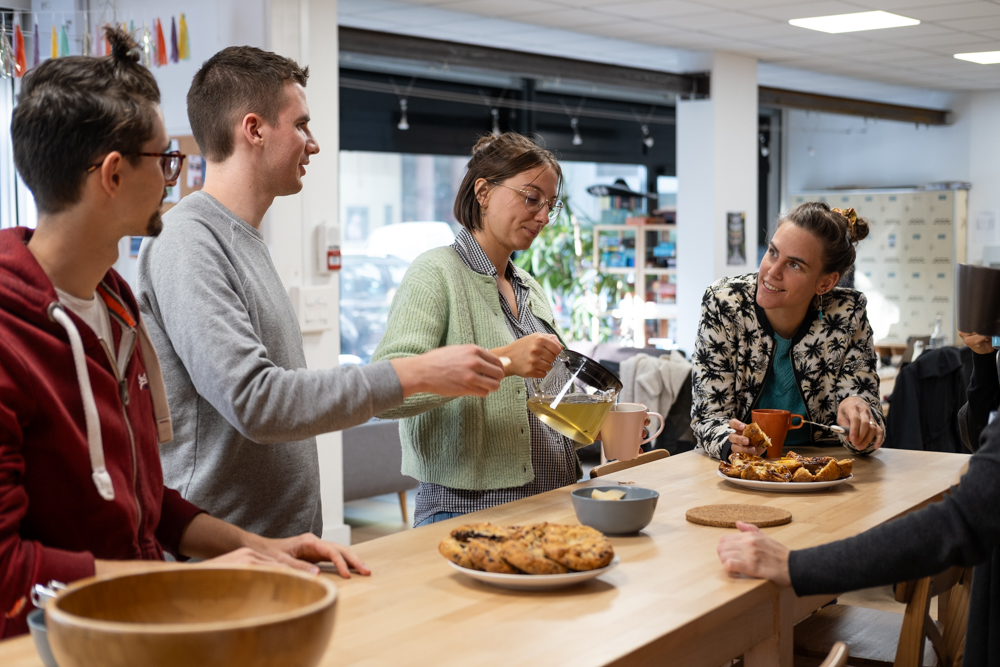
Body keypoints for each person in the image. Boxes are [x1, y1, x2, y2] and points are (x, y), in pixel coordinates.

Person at [0, 28, 369, 639]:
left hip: (144, 622)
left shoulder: (114, 309)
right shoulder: (12, 337)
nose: (176, 175)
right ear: (113, 174)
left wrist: (256, 547)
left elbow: (149, 502)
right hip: (66, 643)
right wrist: (171, 580)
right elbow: (9, 571)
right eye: (164, 158)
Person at [136, 47, 504, 540]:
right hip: (223, 555)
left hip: (280, 544)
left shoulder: (244, 239)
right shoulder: (187, 241)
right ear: (254, 130)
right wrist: (414, 372)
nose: (313, 144)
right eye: (302, 125)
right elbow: (256, 401)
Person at [371, 132, 576, 527]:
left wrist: (595, 421)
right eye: (531, 198)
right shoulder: (435, 273)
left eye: (551, 204)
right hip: (468, 511)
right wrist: (501, 363)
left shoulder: (529, 286)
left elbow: (547, 394)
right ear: (483, 192)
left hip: (553, 500)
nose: (544, 216)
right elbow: (385, 395)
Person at [691, 202, 885, 461]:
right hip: (742, 467)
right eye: (772, 252)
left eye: (794, 265)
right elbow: (708, 417)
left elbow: (871, 433)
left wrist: (859, 421)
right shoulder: (725, 303)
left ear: (825, 283)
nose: (772, 272)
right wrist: (731, 443)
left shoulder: (848, 313)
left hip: (821, 468)